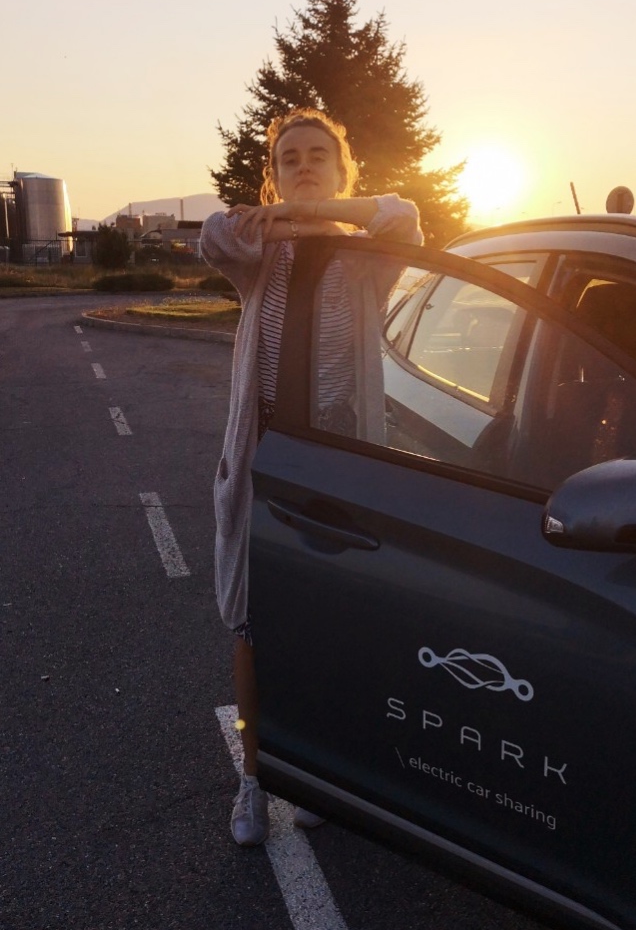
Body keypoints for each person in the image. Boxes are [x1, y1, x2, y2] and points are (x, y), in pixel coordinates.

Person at [200, 109, 422, 846]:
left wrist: (322, 214)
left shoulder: (368, 257)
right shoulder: (259, 255)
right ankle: (254, 778)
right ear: (272, 172)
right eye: (287, 157)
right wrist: (284, 218)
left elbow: (405, 215)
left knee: (330, 623)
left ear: (341, 169)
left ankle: (319, 772)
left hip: (336, 464)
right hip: (264, 463)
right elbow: (214, 233)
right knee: (254, 625)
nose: (301, 165)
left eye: (317, 155)